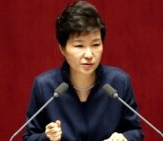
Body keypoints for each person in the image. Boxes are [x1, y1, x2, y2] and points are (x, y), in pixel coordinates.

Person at [23, 1, 144, 141]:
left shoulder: (119, 82)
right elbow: (28, 138)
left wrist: (124, 138)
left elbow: (136, 132)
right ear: (62, 48)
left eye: (96, 44)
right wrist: (47, 137)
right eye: (79, 45)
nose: (89, 54)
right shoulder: (45, 86)